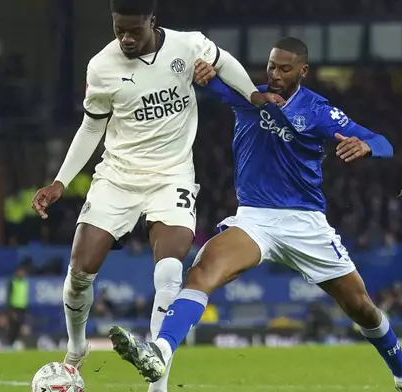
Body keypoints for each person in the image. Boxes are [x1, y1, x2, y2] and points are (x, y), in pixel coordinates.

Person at [108, 37, 402, 392]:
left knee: (363, 309)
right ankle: (160, 350)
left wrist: (368, 145)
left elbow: (383, 141)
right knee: (200, 271)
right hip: (254, 219)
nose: (275, 74)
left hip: (305, 222)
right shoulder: (248, 96)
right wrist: (201, 72)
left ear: (303, 72)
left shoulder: (319, 111)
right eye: (271, 66)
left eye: (284, 68)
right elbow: (209, 81)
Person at [30, 1, 279, 391]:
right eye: (118, 31)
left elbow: (224, 59)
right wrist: (60, 181)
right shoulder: (101, 67)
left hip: (172, 175)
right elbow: (91, 127)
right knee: (80, 271)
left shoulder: (186, 46)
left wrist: (252, 94)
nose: (126, 39)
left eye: (134, 30)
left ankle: (157, 383)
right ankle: (77, 349)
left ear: (152, 21)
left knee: (169, 270)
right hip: (118, 176)